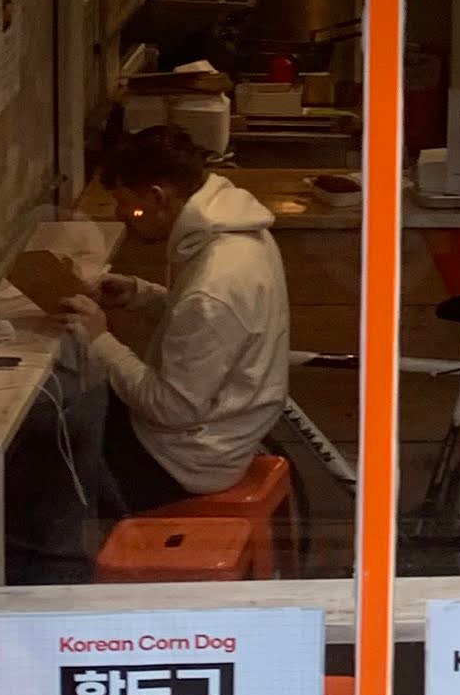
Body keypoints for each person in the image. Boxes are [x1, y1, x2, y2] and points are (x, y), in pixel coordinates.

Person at [16, 122, 291, 521]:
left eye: (129, 206)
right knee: (73, 412)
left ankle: (55, 554)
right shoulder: (239, 238)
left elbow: (172, 408)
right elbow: (215, 326)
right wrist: (140, 294)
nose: (122, 216)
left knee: (44, 452)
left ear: (158, 196)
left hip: (185, 464)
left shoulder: (215, 284)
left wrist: (100, 340)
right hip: (212, 433)